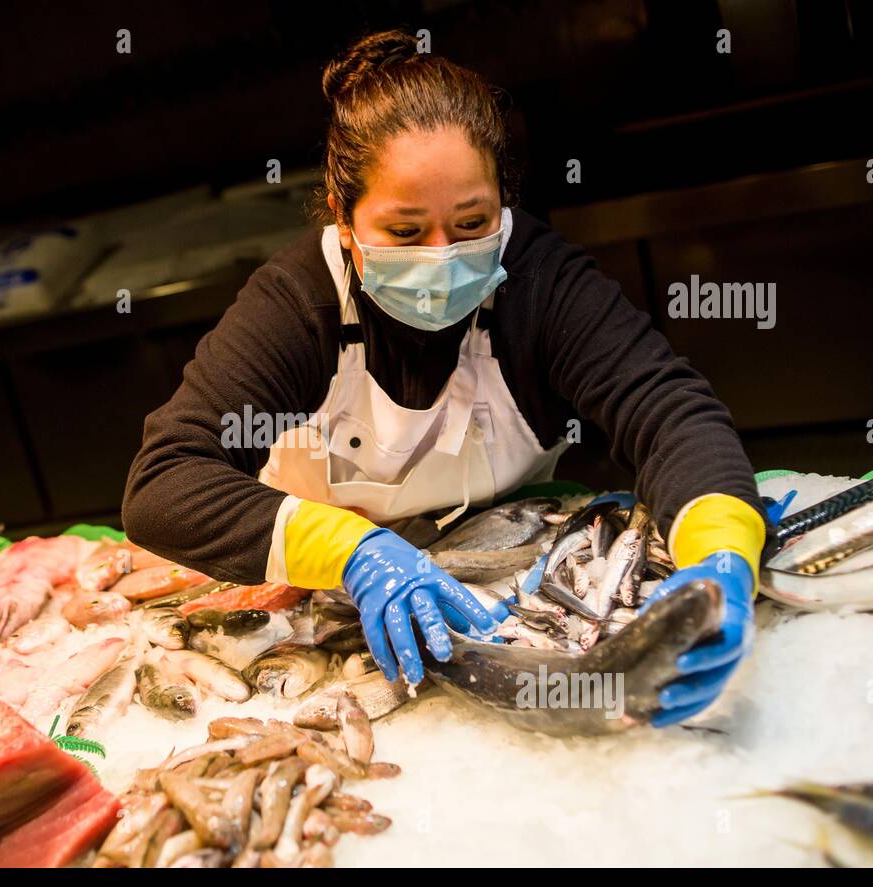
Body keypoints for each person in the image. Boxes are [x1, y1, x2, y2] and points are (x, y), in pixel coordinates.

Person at [123, 30, 766, 726]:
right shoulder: (295, 304)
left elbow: (671, 411)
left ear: (503, 205)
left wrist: (724, 556)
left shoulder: (540, 282)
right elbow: (164, 482)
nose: (443, 257)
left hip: (513, 591)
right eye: (404, 232)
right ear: (344, 220)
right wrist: (354, 551)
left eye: (471, 223)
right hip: (315, 618)